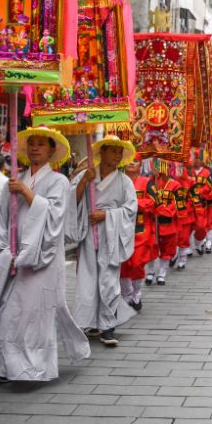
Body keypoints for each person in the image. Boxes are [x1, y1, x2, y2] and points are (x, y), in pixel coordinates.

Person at [0, 126, 90, 382]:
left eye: (41, 144)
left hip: (44, 256)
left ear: (52, 151)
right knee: (10, 311)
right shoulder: (15, 180)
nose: (35, 148)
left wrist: (28, 193)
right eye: (32, 144)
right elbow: (4, 218)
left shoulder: (59, 181)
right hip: (14, 252)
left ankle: (37, 366)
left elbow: (54, 216)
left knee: (36, 312)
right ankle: (9, 366)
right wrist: (2, 249)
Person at [67, 137, 138, 347]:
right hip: (89, 234)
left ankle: (108, 326)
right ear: (102, 152)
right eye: (113, 151)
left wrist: (107, 215)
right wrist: (82, 182)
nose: (117, 155)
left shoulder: (125, 182)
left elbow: (130, 209)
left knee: (108, 281)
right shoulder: (87, 175)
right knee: (87, 280)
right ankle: (88, 322)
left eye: (120, 152)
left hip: (111, 236)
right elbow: (71, 201)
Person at [120, 156, 156, 311]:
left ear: (141, 165)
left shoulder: (147, 182)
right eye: (129, 159)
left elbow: (153, 201)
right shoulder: (118, 181)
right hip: (120, 228)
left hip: (140, 230)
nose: (131, 162)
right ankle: (126, 295)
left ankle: (137, 292)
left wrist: (134, 204)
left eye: (135, 160)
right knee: (122, 264)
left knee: (136, 263)